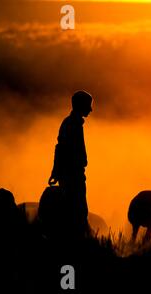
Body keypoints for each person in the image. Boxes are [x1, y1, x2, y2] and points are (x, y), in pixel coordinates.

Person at [48, 90, 93, 236]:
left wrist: (56, 171)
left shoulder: (72, 123)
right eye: (88, 105)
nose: (91, 109)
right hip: (72, 175)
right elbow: (60, 148)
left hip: (73, 173)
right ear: (81, 105)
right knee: (77, 210)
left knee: (77, 209)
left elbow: (59, 148)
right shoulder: (71, 124)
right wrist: (56, 171)